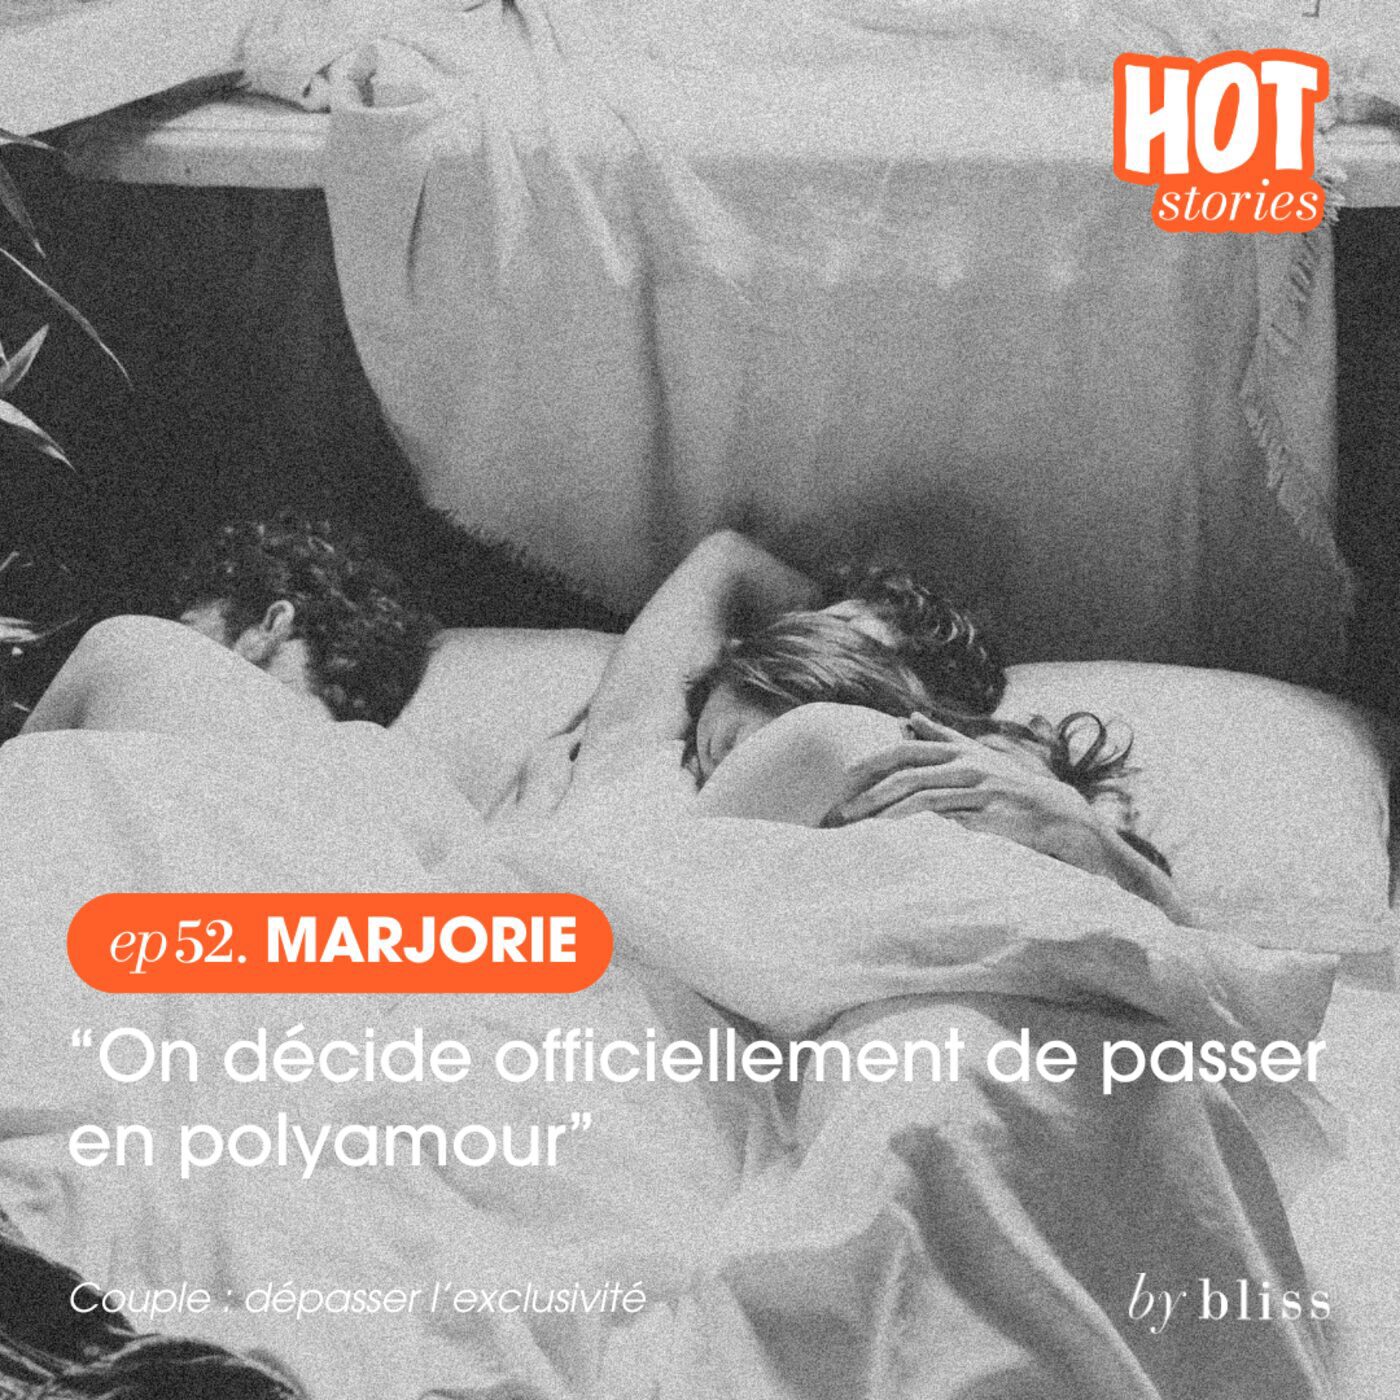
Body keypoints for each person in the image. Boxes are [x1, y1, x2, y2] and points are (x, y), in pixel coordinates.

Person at [566, 531, 1187, 920]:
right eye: (814, 660)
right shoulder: (644, 758)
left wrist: (1079, 831)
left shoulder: (933, 789)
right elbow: (726, 559)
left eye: (846, 692)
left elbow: (1179, 949)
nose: (765, 733)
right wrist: (819, 628)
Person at [19, 514, 439, 739]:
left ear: (270, 626)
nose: (178, 636)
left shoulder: (138, 647)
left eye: (188, 627)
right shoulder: (402, 784)